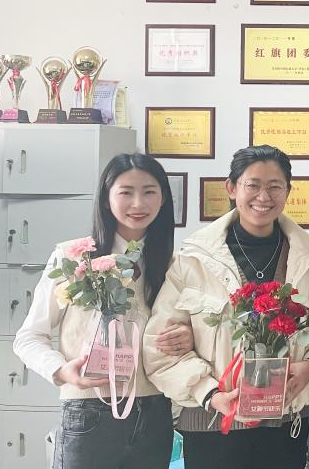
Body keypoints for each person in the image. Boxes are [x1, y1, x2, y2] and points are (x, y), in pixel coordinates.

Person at [144, 145, 309, 469]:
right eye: (253, 185)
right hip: (211, 423)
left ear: (288, 191)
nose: (264, 196)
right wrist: (211, 393)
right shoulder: (194, 259)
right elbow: (159, 348)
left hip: (285, 425)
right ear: (231, 188)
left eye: (275, 186)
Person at [13, 153, 193, 469]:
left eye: (149, 191)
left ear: (164, 198)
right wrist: (61, 370)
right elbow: (28, 338)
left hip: (155, 411)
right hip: (88, 411)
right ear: (106, 199)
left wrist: (188, 336)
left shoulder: (175, 265)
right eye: (126, 192)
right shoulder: (72, 258)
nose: (138, 203)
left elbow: (195, 333)